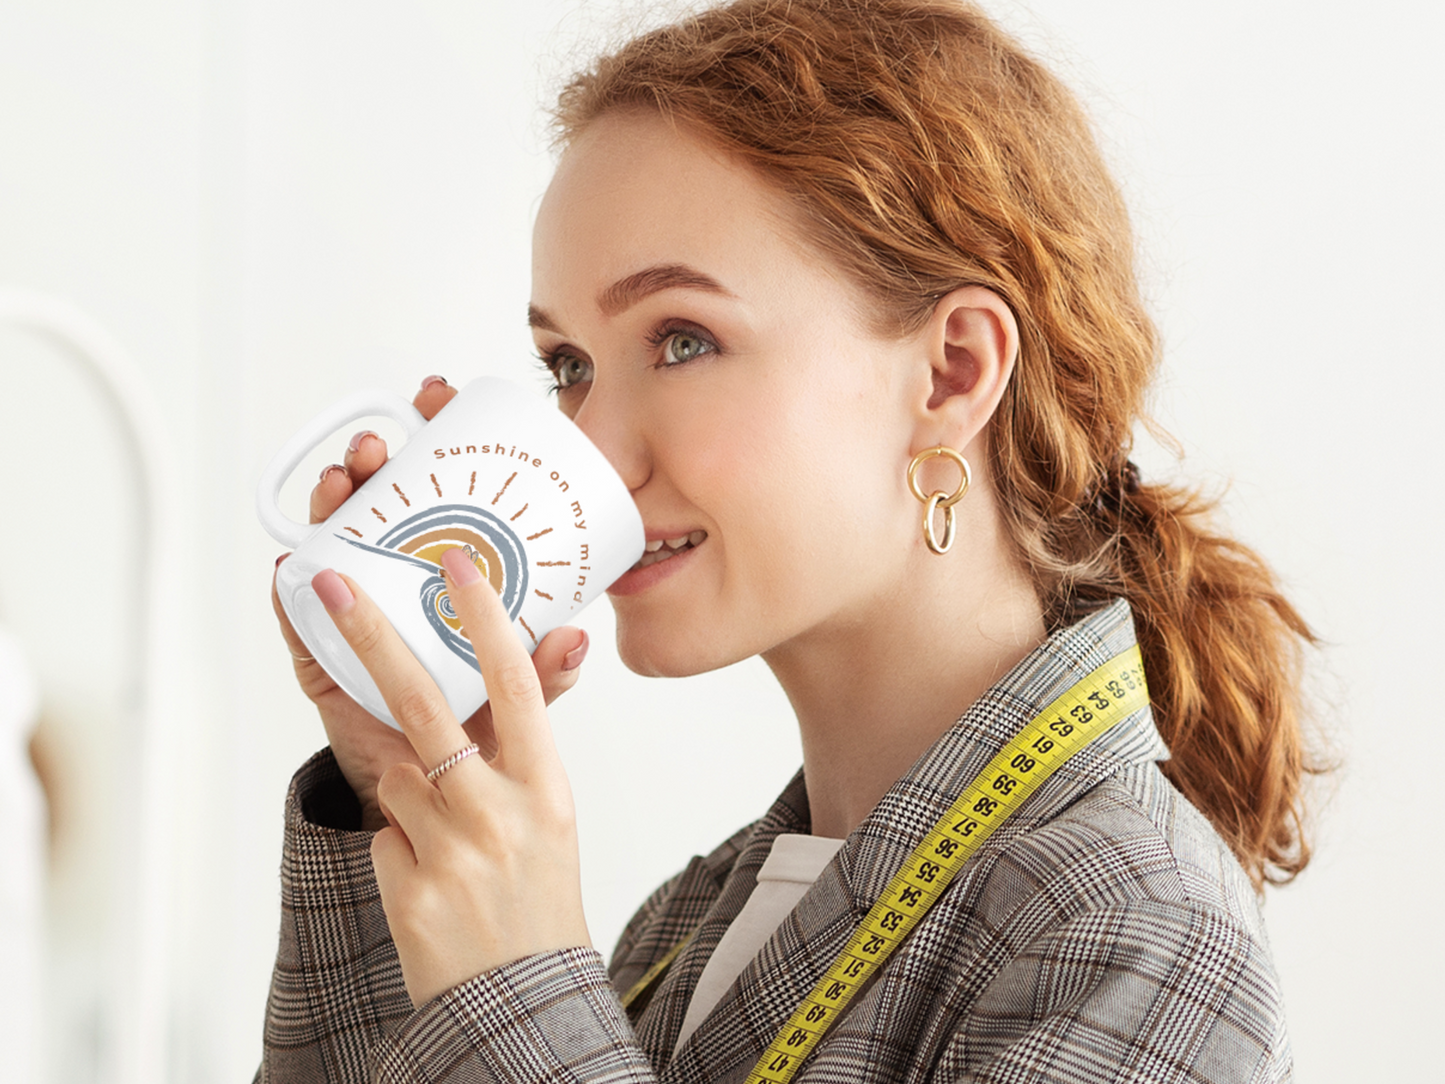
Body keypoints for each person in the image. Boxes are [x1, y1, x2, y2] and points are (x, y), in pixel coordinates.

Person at [257, 1, 1319, 1080]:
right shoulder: (684, 926)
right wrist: (402, 788)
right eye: (568, 366)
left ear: (951, 370)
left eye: (681, 340)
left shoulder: (1136, 932)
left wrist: (518, 991)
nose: (591, 450)